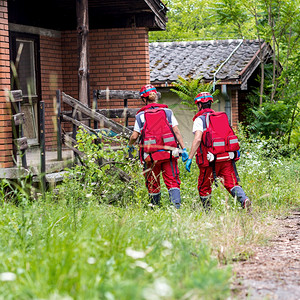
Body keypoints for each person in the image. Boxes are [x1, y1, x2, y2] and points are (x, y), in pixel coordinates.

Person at [185, 92, 251, 211]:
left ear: (199, 105)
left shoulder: (200, 120)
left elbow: (198, 139)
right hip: (226, 158)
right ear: (210, 104)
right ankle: (244, 199)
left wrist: (190, 157)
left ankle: (208, 211)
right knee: (231, 183)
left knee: (204, 186)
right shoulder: (221, 117)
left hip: (208, 161)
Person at [128, 84, 188, 208]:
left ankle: (155, 209)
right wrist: (184, 149)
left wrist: (130, 145)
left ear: (144, 99)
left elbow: (134, 136)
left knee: (152, 182)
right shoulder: (167, 112)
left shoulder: (141, 116)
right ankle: (176, 208)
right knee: (172, 181)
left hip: (150, 156)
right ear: (156, 96)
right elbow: (176, 132)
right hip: (169, 154)